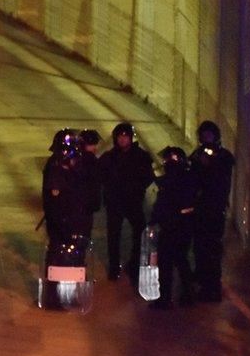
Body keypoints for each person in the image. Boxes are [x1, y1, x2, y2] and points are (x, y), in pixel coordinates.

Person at [98, 122, 154, 281]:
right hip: (115, 202)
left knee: (139, 232)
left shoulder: (141, 156)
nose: (123, 140)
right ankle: (114, 267)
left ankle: (135, 263)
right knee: (113, 235)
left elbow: (148, 176)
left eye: (125, 136)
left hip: (133, 201)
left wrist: (137, 188)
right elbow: (100, 175)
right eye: (120, 137)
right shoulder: (109, 157)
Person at [188, 121, 234, 302]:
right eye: (203, 135)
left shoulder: (223, 157)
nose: (206, 139)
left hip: (214, 210)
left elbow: (220, 181)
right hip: (200, 210)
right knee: (199, 246)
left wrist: (209, 164)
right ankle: (201, 276)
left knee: (212, 249)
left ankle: (212, 288)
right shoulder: (198, 155)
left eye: (209, 135)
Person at [148, 147, 197, 309]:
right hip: (183, 224)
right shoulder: (188, 178)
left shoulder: (172, 180)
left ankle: (166, 298)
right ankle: (186, 295)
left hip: (173, 225)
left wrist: (154, 220)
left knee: (168, 261)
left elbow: (163, 204)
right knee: (180, 259)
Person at [42, 130, 92, 249]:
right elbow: (52, 197)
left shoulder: (78, 167)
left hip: (75, 218)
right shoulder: (54, 167)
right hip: (59, 218)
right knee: (57, 247)